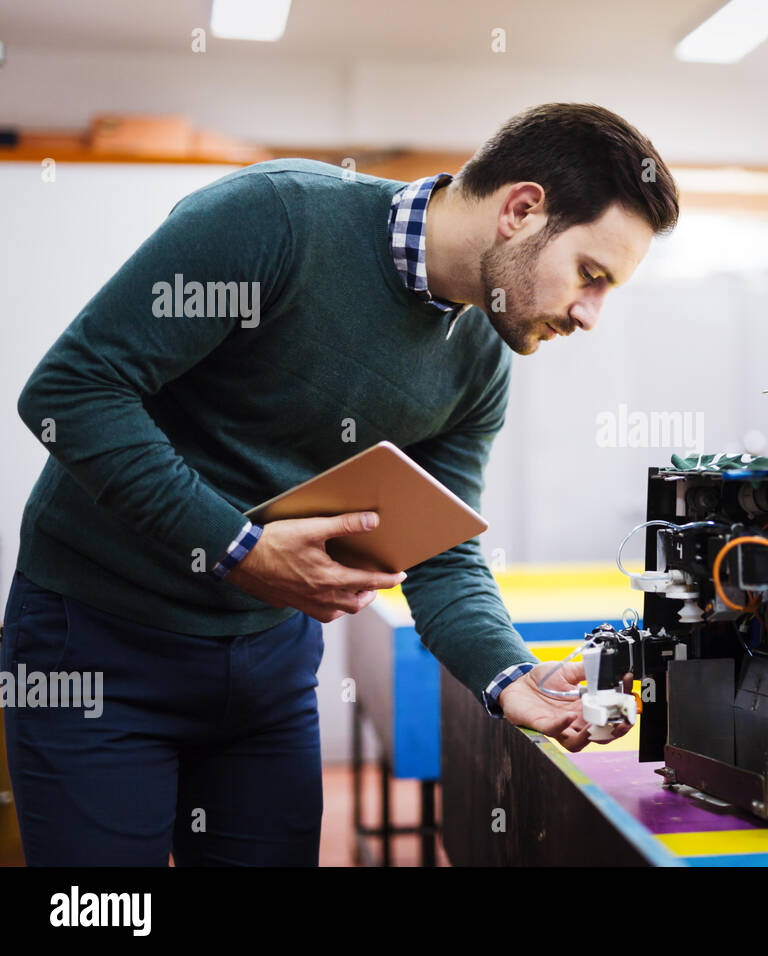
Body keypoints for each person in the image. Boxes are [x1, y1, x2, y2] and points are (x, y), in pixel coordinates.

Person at [2, 102, 679, 865]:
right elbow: (72, 392)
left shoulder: (480, 361)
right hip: (97, 645)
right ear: (520, 211)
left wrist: (508, 674)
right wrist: (237, 547)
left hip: (267, 668)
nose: (591, 314)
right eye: (591, 276)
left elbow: (441, 551)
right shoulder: (276, 218)